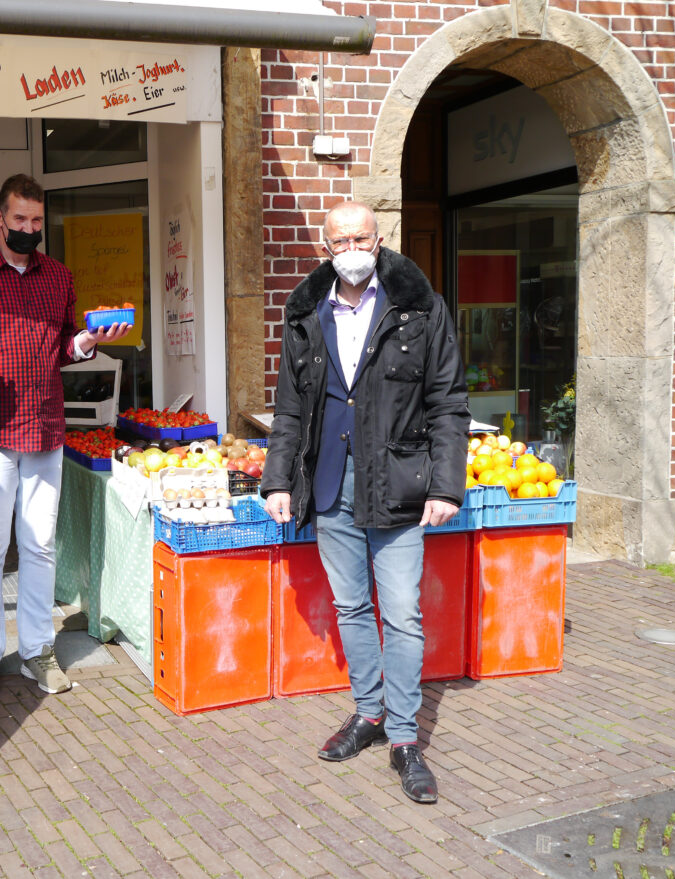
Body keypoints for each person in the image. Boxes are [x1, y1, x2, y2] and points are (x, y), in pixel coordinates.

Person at [261, 201, 469, 805]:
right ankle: (368, 713)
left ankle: (405, 739)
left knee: (402, 611)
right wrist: (278, 480)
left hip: (399, 483)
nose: (351, 247)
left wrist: (445, 485)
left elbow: (448, 402)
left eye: (361, 236)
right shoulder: (304, 313)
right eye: (339, 240)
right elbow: (290, 409)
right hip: (330, 484)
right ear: (323, 248)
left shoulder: (420, 307)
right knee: (352, 607)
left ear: (379, 240)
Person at [0, 173, 131, 701]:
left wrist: (89, 340)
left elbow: (66, 343)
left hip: (43, 427)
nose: (28, 228)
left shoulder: (58, 277)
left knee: (40, 547)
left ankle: (38, 652)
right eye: (19, 219)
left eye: (37, 220)